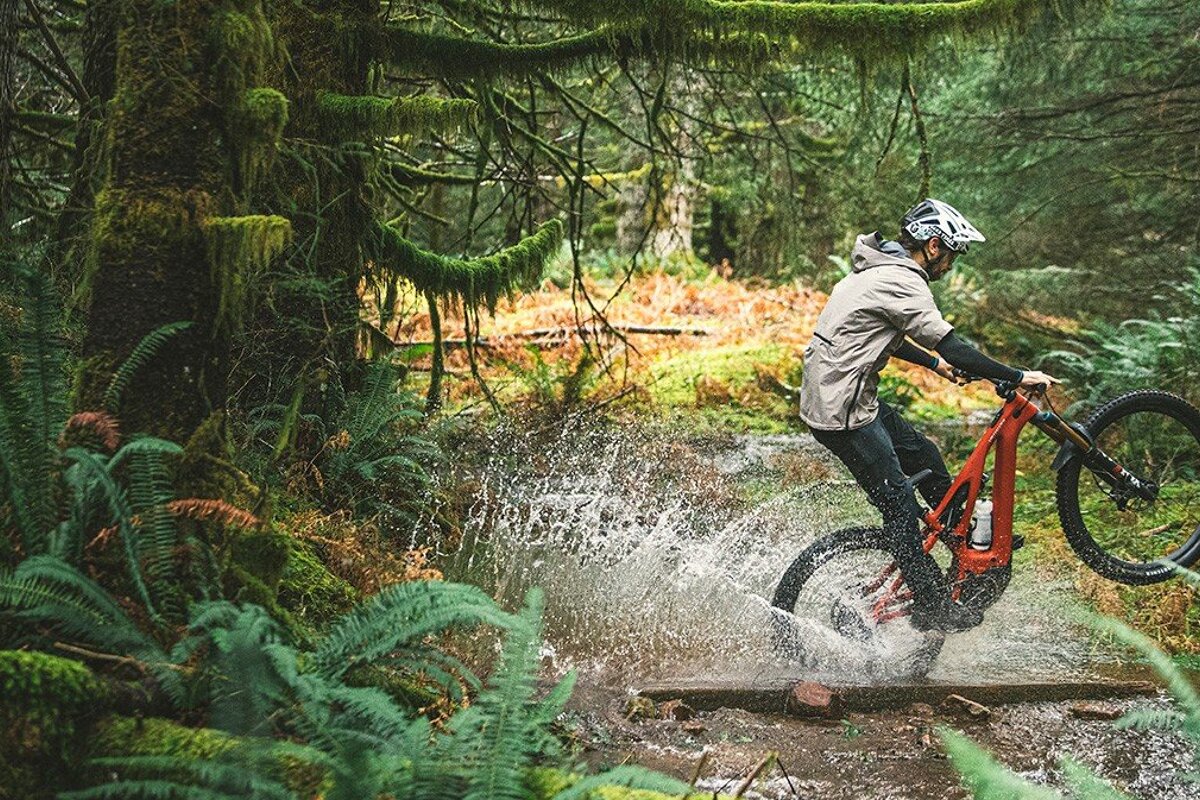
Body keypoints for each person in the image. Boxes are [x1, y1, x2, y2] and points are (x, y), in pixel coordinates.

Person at [798, 198, 1059, 632]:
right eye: (953, 255)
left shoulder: (876, 271)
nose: (952, 266)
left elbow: (888, 336)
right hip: (843, 411)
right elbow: (953, 345)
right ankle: (933, 605)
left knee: (924, 451)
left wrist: (934, 366)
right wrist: (1017, 374)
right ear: (934, 246)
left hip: (847, 398)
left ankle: (966, 539)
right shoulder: (904, 281)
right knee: (900, 507)